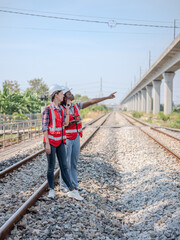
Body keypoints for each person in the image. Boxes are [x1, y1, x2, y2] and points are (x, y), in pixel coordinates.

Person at [60, 87, 116, 192]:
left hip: (76, 137)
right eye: (69, 93)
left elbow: (91, 101)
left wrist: (107, 97)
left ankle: (74, 184)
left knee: (74, 163)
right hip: (66, 138)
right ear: (64, 97)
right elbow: (60, 125)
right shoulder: (60, 109)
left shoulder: (76, 105)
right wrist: (71, 123)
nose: (72, 94)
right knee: (65, 163)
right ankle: (64, 186)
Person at [42, 84, 83, 200]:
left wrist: (67, 109)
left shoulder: (61, 109)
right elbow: (45, 128)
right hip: (50, 142)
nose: (62, 96)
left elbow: (65, 123)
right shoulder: (48, 110)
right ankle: (51, 190)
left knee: (64, 166)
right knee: (51, 167)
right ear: (56, 95)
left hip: (60, 142)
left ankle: (72, 190)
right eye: (61, 94)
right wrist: (48, 144)